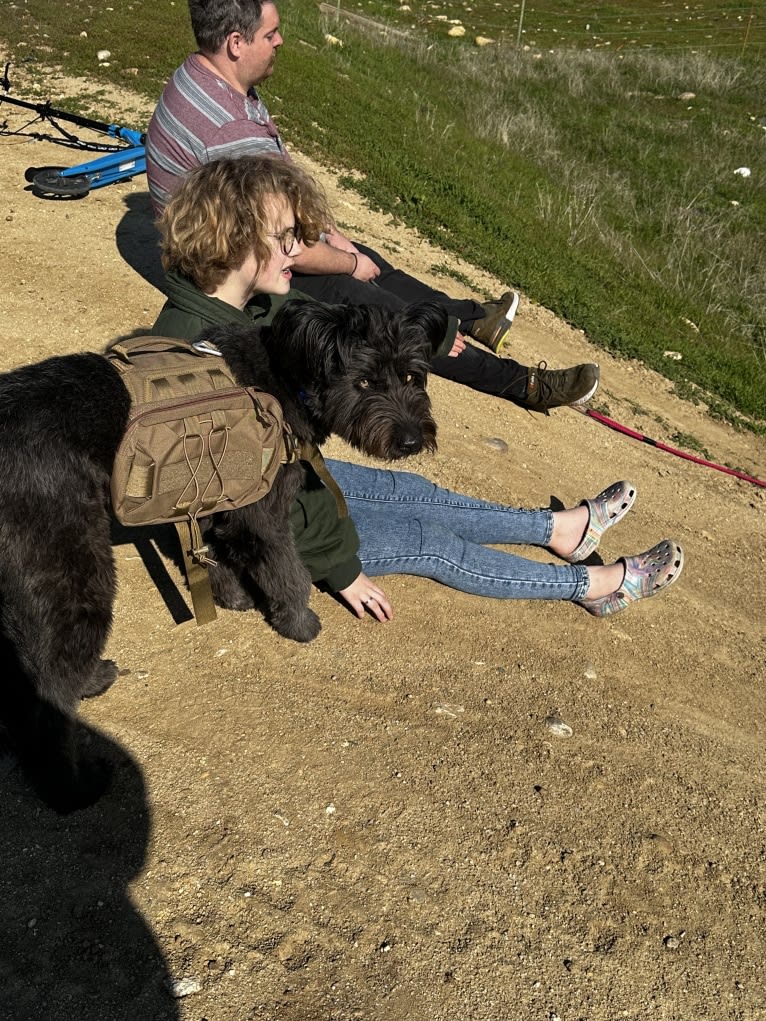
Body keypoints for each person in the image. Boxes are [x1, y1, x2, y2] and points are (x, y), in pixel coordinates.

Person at [151, 155, 684, 621]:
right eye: (287, 238)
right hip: (246, 536)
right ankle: (597, 585)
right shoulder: (195, 352)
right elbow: (250, 505)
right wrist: (341, 570)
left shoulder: (248, 306)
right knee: (429, 543)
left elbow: (354, 326)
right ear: (238, 239)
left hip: (282, 474)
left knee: (410, 493)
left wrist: (437, 332)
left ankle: (561, 530)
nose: (300, 249)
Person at [145, 0, 601, 415]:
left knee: (377, 267)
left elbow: (277, 188)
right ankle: (526, 384)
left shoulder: (205, 77)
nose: (281, 40)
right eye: (271, 34)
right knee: (391, 319)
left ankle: (468, 317)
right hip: (233, 263)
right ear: (236, 43)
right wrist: (345, 260)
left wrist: (334, 235)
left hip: (244, 237)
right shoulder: (230, 129)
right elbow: (293, 251)